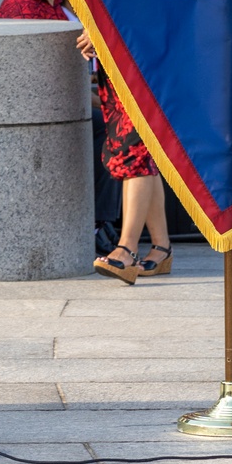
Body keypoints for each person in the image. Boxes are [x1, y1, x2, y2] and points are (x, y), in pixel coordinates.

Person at [0, 0, 122, 253]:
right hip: (44, 105)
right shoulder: (20, 9)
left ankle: (113, 222)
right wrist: (103, 100)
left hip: (81, 89)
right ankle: (101, 223)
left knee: (120, 120)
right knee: (112, 126)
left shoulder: (66, 2)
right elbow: (41, 82)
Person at [76, 28, 172, 283]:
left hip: (140, 59)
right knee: (141, 152)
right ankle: (161, 248)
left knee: (134, 151)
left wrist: (100, 30)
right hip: (120, 59)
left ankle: (127, 248)